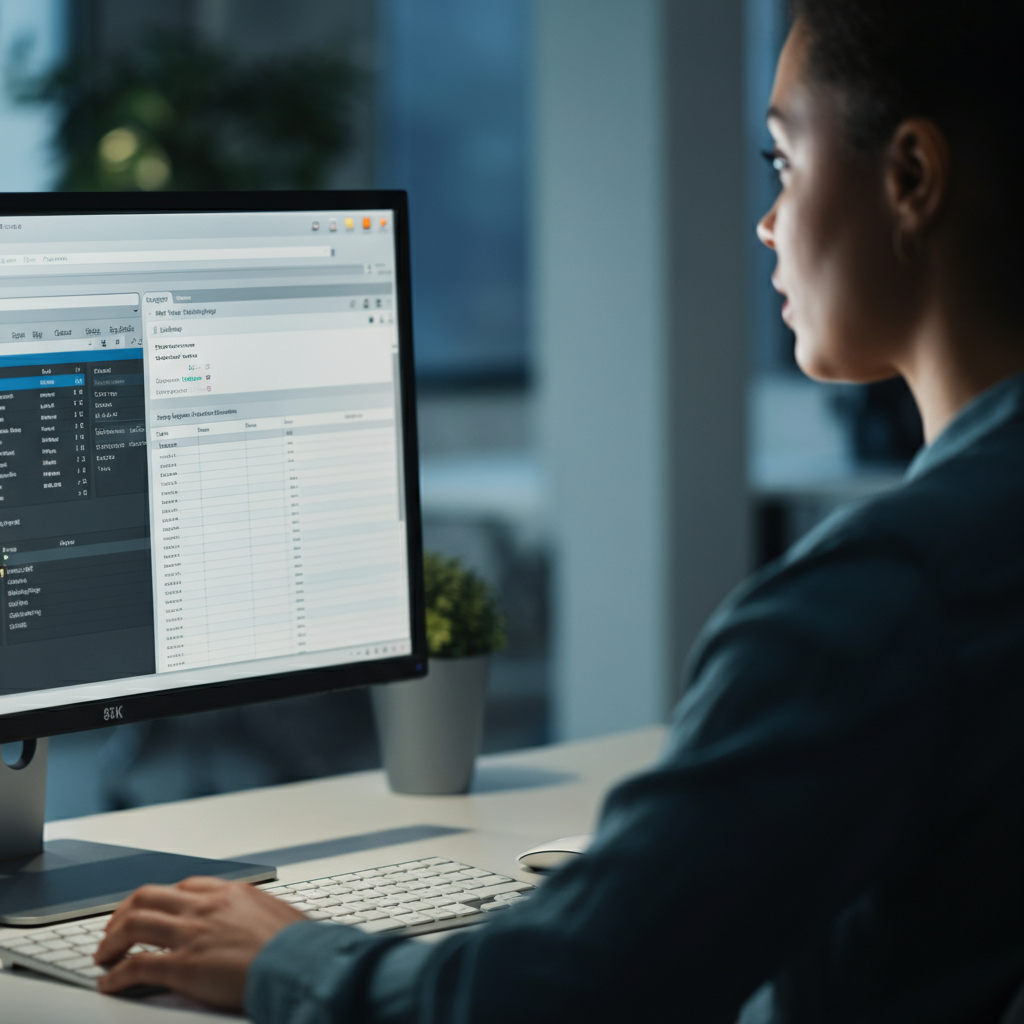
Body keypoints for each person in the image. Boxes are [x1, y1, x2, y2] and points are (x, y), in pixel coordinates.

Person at [92, 1, 1024, 1020]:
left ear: (910, 179)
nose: (764, 221)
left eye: (781, 162)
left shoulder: (880, 602)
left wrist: (287, 955)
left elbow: (543, 998)